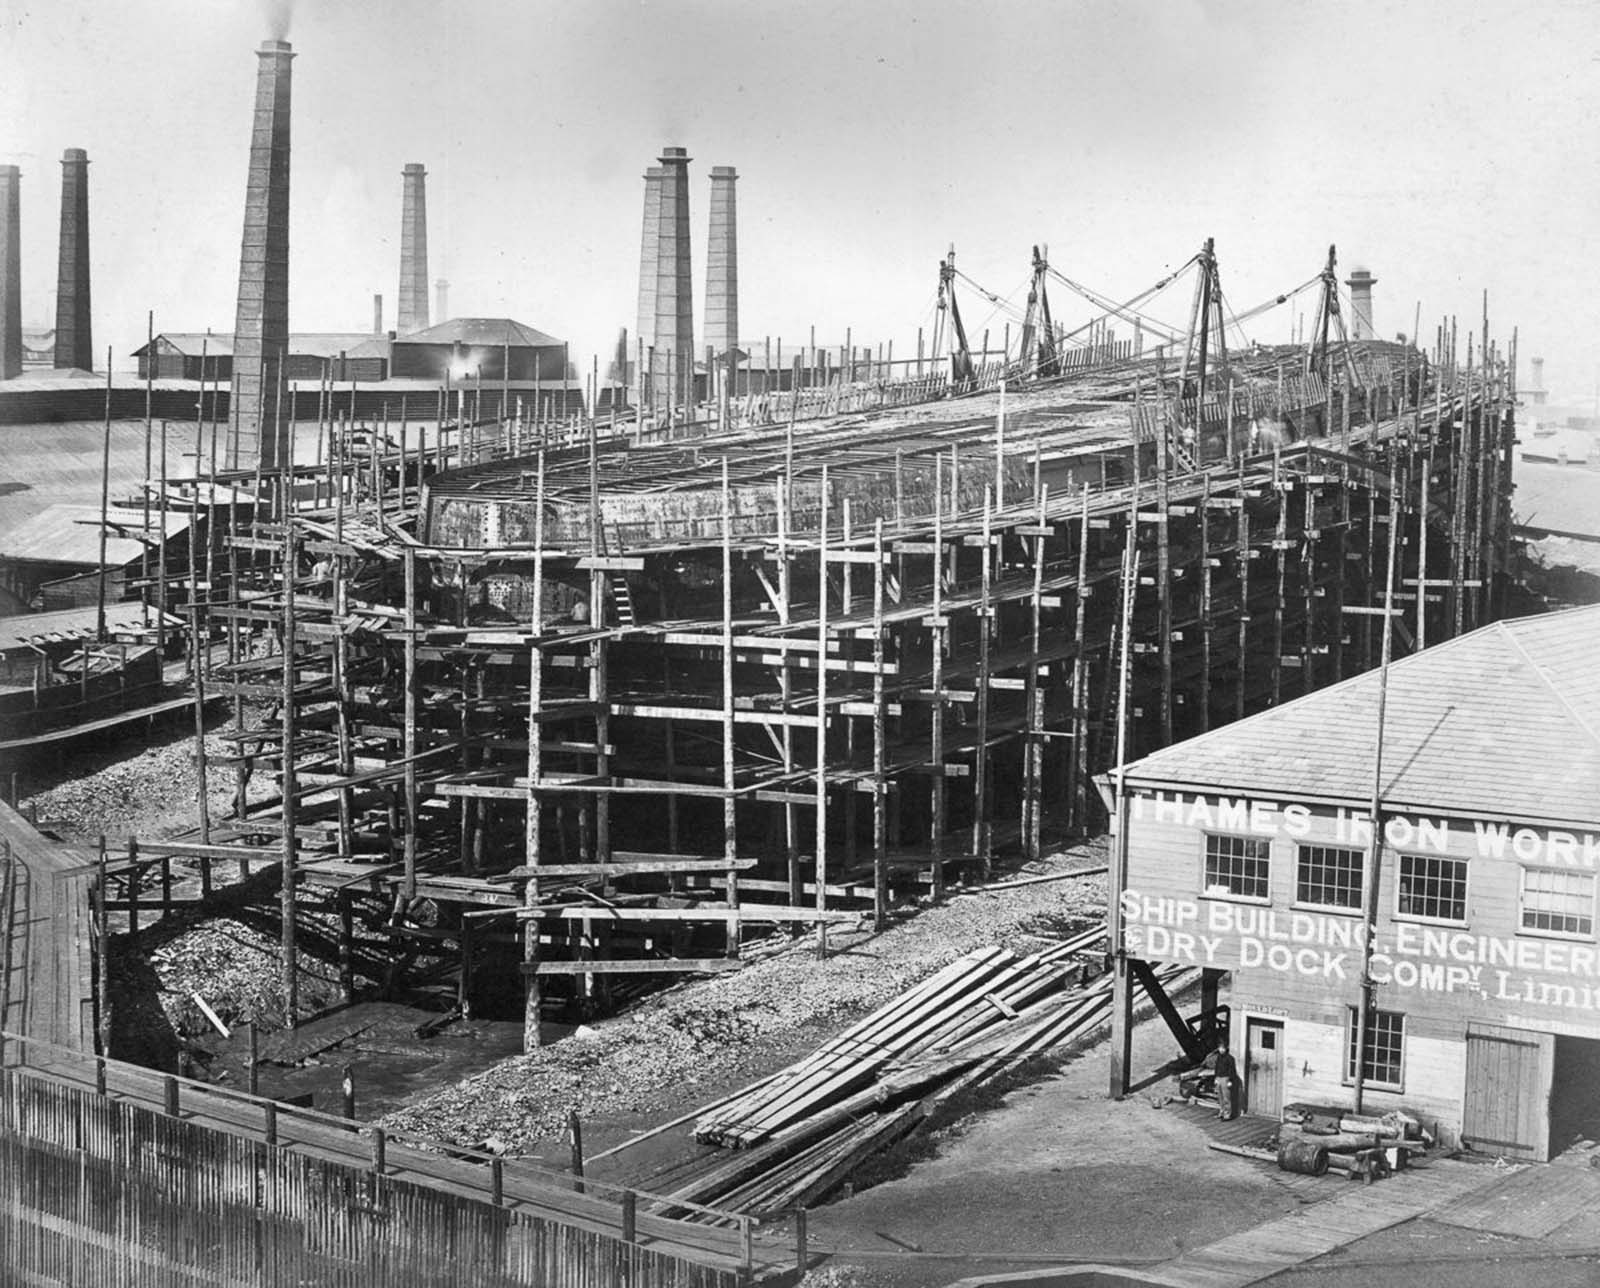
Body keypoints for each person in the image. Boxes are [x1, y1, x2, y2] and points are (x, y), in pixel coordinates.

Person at [1213, 1040, 1240, 1121]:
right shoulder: (1218, 1057)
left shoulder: (1230, 1058)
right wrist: (1216, 1078)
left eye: (1223, 1048)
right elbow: (1216, 1068)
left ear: (1226, 1048)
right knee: (1220, 1097)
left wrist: (1230, 1081)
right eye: (1220, 1048)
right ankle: (1221, 1112)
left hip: (1226, 1079)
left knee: (1226, 1098)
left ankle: (1227, 1115)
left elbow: (1232, 1070)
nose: (1221, 1050)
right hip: (1219, 1078)